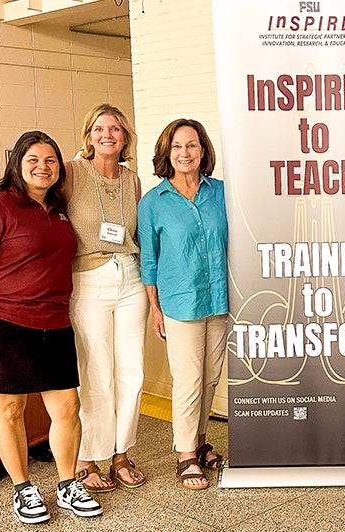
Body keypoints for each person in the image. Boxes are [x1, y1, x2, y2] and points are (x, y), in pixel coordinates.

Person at [0, 131, 103, 523]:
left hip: (54, 322)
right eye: (34, 159)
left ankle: (68, 483)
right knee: (10, 409)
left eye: (51, 160)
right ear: (18, 163)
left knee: (68, 407)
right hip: (6, 322)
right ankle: (23, 489)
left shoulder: (59, 207)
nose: (43, 166)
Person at [138, 119, 228, 490]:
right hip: (179, 301)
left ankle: (201, 440)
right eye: (177, 147)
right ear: (167, 153)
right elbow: (149, 261)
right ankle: (185, 455)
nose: (185, 153)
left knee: (209, 378)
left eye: (192, 146)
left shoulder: (221, 193)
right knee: (188, 380)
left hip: (220, 298)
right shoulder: (153, 203)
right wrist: (155, 309)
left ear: (203, 151)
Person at [64, 104, 148, 492]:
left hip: (129, 277)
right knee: (95, 373)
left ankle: (120, 453)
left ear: (125, 137)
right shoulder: (70, 172)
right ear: (88, 135)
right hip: (88, 279)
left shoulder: (133, 180)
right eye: (99, 128)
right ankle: (87, 457)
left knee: (131, 372)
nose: (107, 134)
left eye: (115, 128)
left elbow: (138, 235)